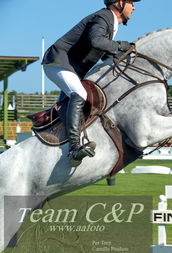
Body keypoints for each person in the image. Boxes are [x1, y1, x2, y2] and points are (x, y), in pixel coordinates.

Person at [42, 0, 140, 167]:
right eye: (131, 2)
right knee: (79, 94)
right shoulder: (103, 17)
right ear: (119, 3)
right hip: (58, 62)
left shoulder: (110, 22)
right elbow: (96, 41)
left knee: (77, 99)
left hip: (71, 67)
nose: (134, 7)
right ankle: (74, 148)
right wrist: (121, 45)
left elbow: (102, 53)